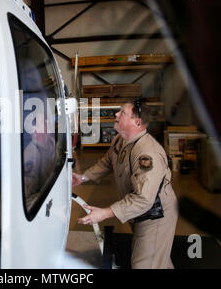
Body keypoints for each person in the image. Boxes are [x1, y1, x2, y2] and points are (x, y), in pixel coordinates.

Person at [73, 99, 179, 269]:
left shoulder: (146, 153)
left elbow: (144, 199)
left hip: (155, 216)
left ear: (137, 122)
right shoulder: (120, 140)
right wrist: (83, 177)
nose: (116, 114)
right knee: (157, 259)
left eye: (122, 112)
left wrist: (106, 213)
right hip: (138, 212)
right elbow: (107, 162)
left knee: (144, 264)